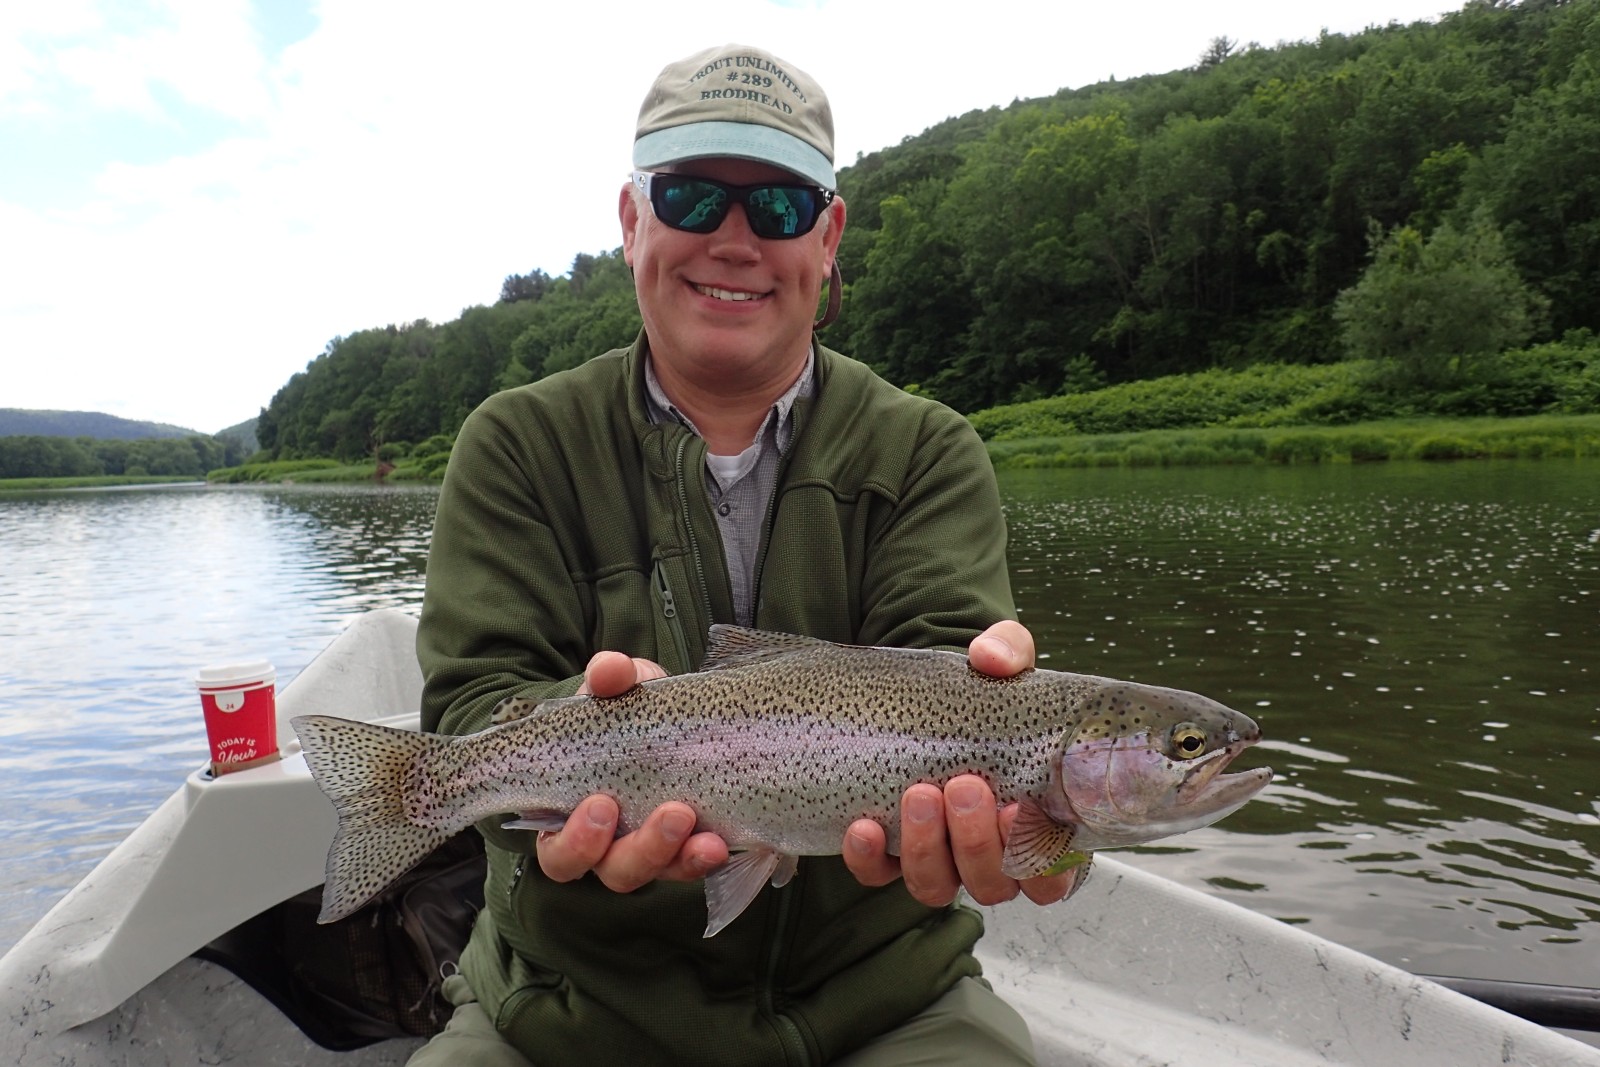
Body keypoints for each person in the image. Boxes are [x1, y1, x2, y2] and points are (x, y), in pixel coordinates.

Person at [411, 42, 1074, 1066]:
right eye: (689, 196)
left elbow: (951, 668)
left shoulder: (927, 446)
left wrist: (1045, 844)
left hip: (885, 1000)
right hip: (562, 1008)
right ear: (633, 220)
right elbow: (466, 711)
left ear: (828, 235)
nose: (732, 240)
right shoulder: (518, 441)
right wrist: (569, 747)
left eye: (774, 207)